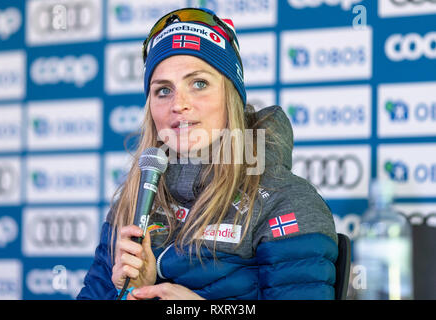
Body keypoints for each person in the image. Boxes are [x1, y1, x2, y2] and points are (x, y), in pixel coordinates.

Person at [77, 7, 338, 300]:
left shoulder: (286, 201)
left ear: (232, 98)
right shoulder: (134, 199)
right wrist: (130, 293)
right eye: (163, 90)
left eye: (199, 84)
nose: (179, 104)